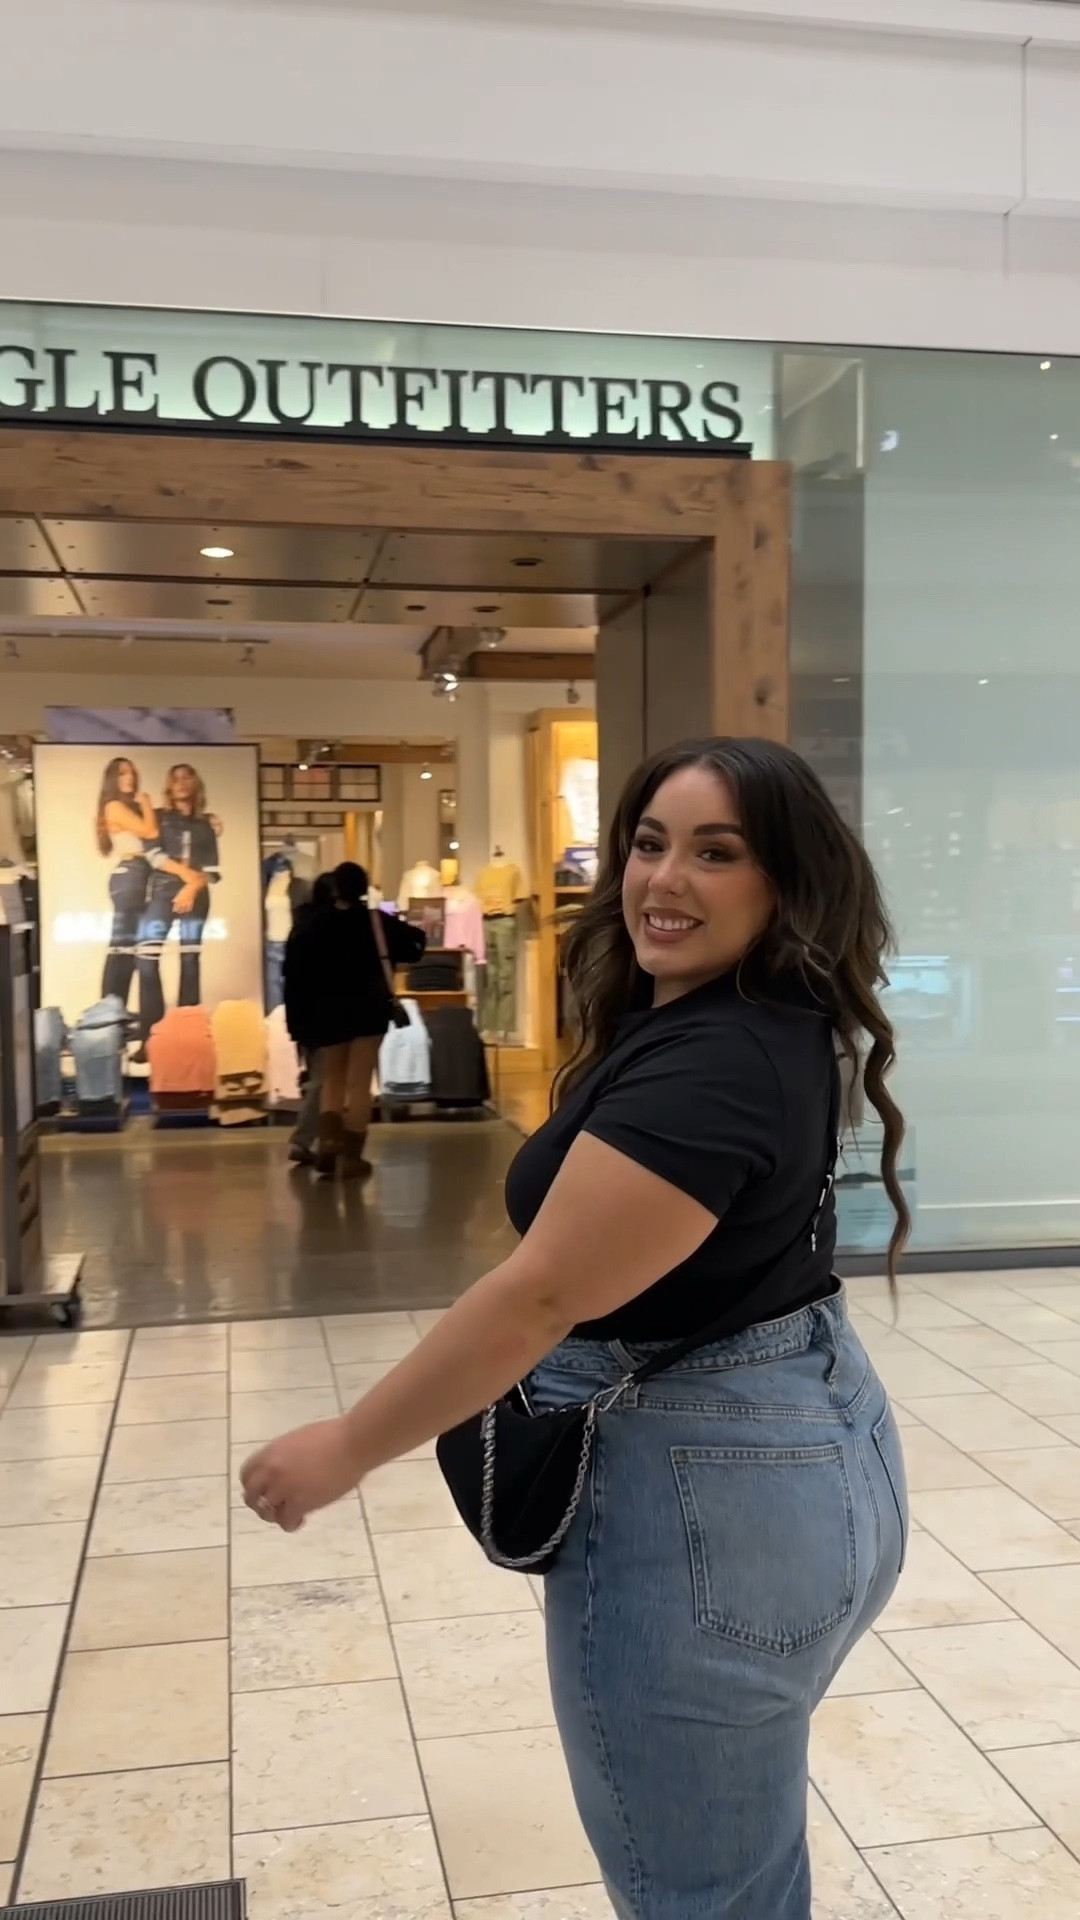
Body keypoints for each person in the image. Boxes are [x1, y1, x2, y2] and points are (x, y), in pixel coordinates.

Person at [242, 738, 911, 1919]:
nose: (665, 881)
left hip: (709, 1500)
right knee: (742, 1871)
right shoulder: (770, 1016)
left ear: (786, 880)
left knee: (703, 1895)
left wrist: (346, 1447)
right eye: (650, 844)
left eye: (718, 853)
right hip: (810, 1446)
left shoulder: (712, 1068)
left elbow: (541, 1297)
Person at [283, 860, 425, 1178]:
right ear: (364, 888)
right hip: (369, 1009)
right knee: (360, 1082)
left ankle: (329, 1144)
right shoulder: (375, 921)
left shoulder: (314, 923)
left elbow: (294, 972)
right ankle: (352, 1157)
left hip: (328, 1012)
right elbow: (416, 944)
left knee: (333, 1079)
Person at [136, 763, 221, 1042]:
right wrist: (188, 879)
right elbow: (153, 855)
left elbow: (213, 871)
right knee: (146, 960)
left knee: (190, 961)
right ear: (169, 788)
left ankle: (188, 1033)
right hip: (162, 892)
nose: (182, 783)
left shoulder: (206, 824)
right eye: (176, 779)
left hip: (196, 898)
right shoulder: (158, 818)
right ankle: (152, 1034)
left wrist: (193, 887)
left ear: (196, 785)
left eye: (187, 778)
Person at [96, 756, 159, 1006]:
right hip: (130, 877)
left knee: (131, 951)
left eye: (131, 772)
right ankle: (109, 1011)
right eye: (122, 773)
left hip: (140, 875)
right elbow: (151, 832)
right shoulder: (114, 806)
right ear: (113, 778)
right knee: (121, 949)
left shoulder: (127, 807)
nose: (129, 778)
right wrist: (146, 803)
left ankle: (115, 1011)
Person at [284, 870, 337, 1168]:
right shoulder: (324, 928)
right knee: (323, 1080)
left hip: (304, 1017)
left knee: (320, 1078)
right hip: (324, 1017)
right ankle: (303, 1139)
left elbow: (291, 980)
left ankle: (316, 1140)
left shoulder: (301, 927)